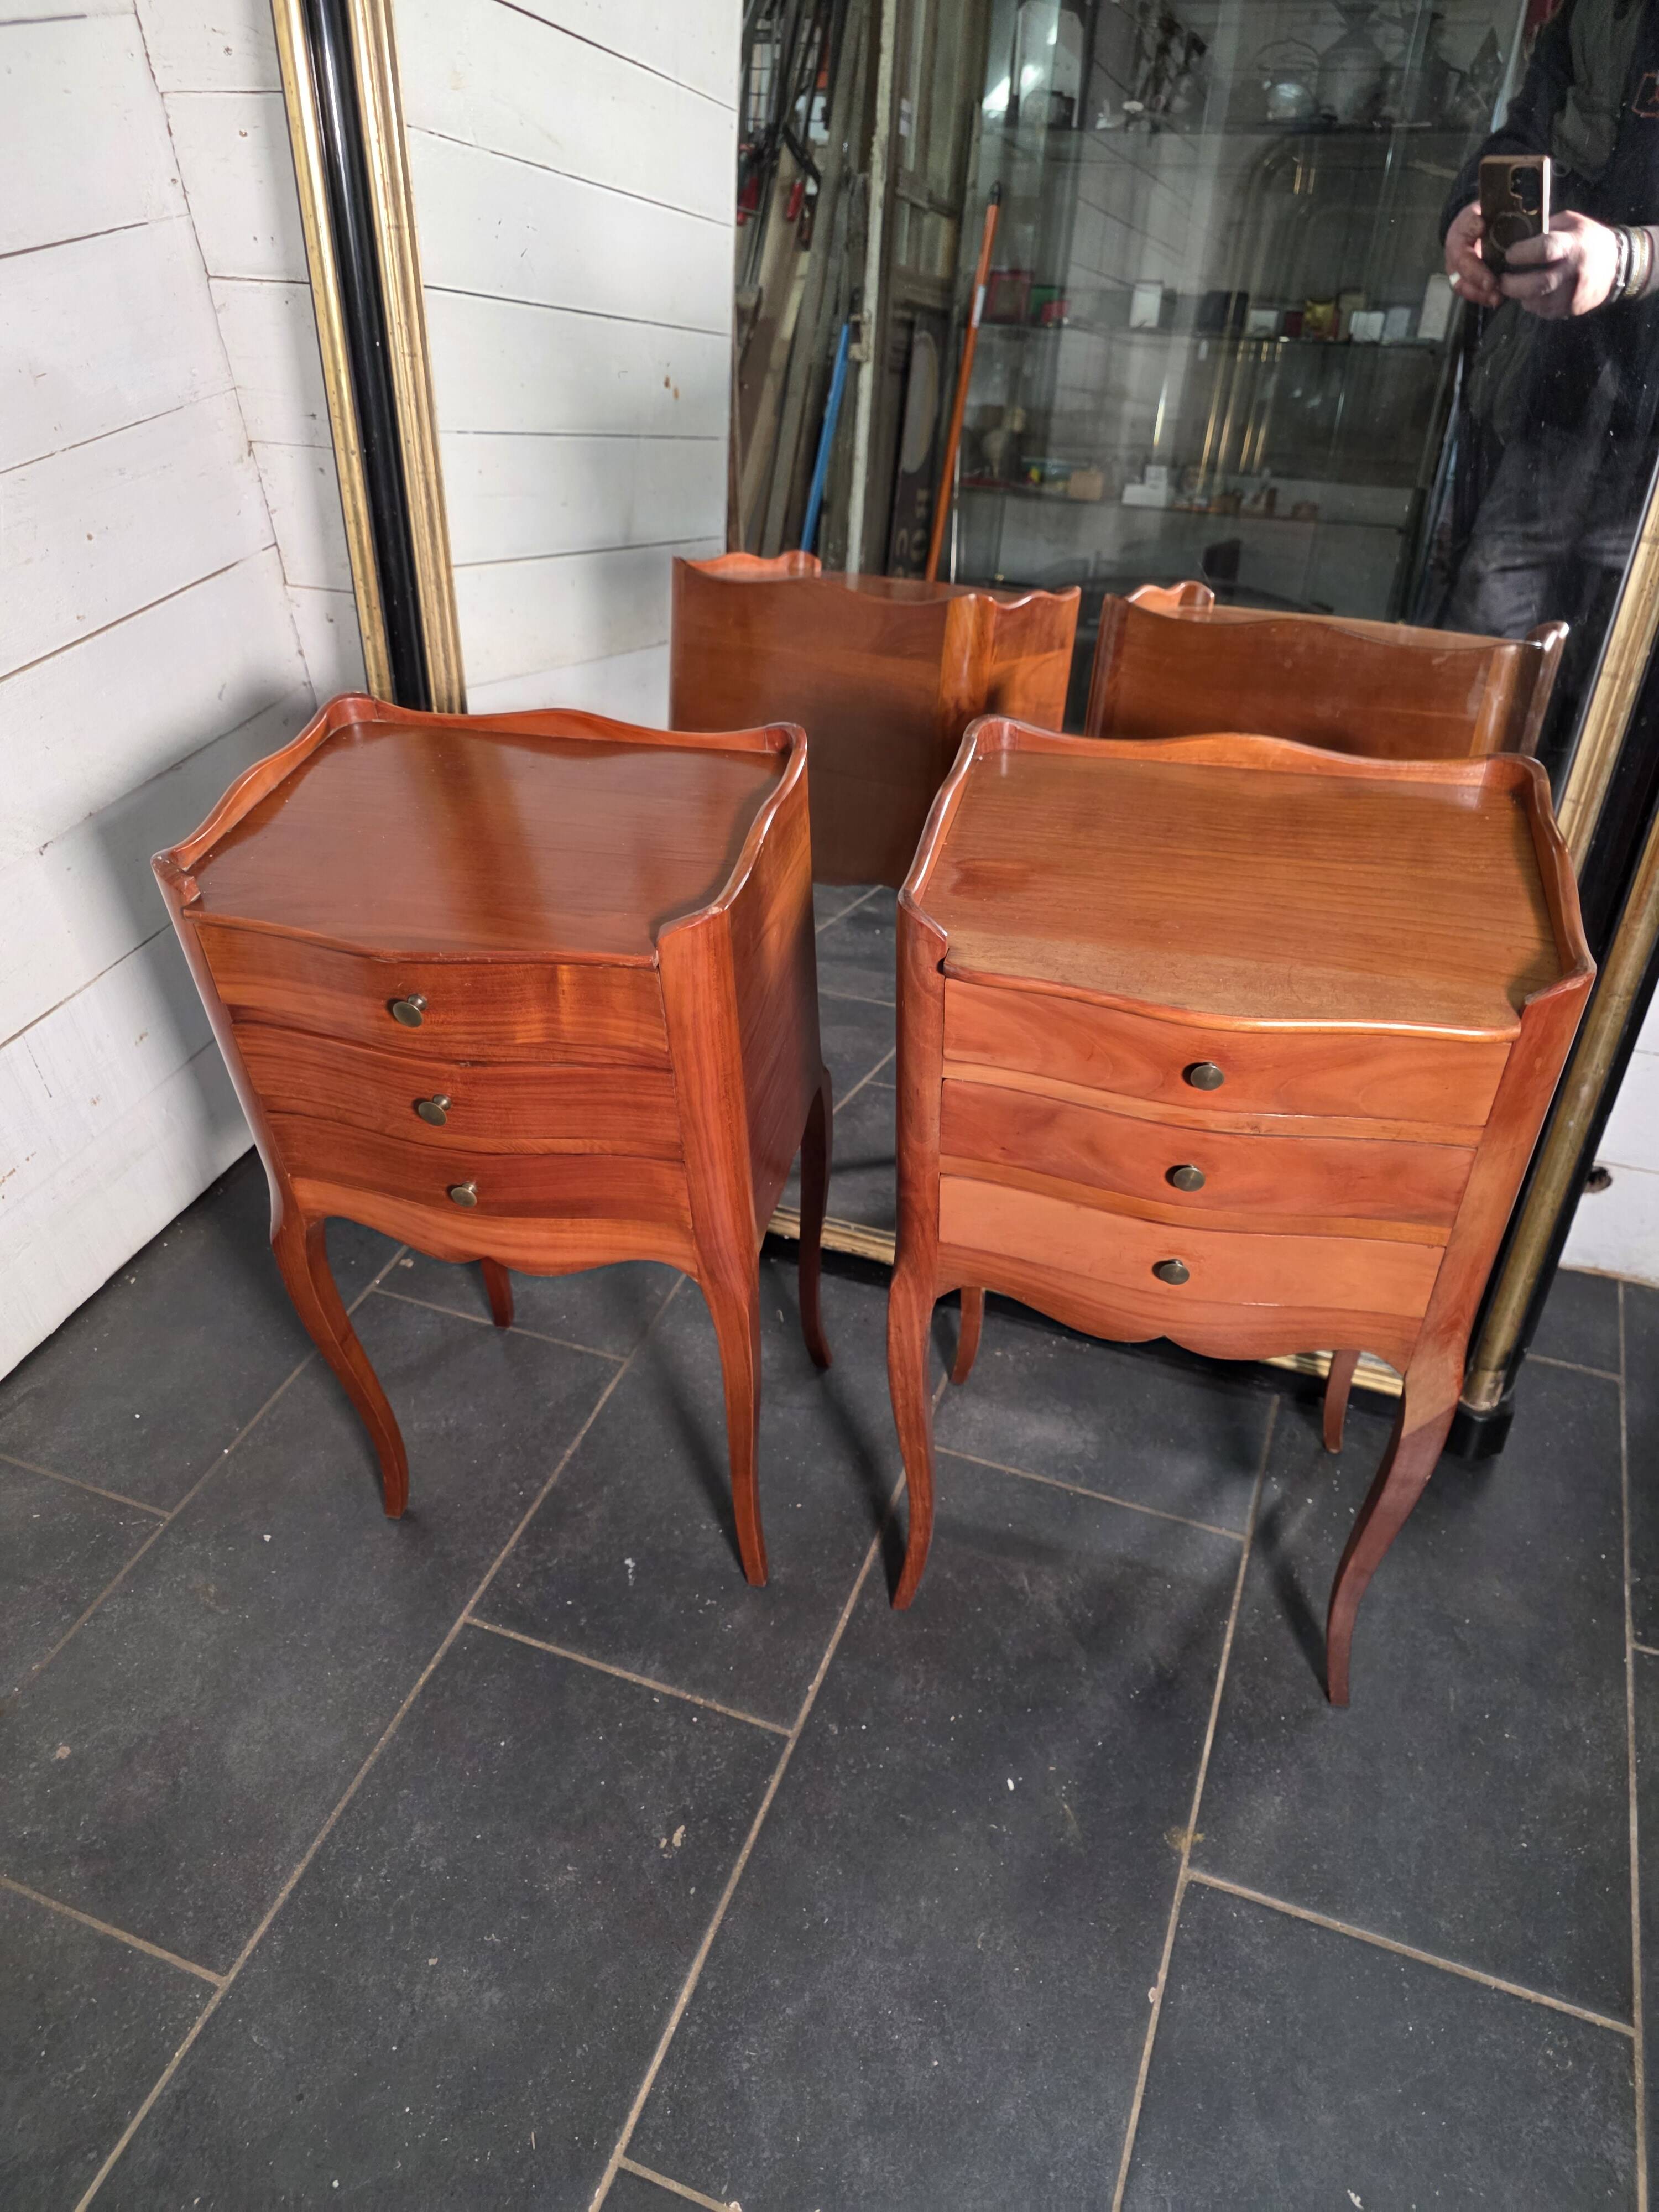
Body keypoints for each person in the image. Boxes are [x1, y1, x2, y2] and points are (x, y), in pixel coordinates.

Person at [1439, 0, 1659, 766]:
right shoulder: (1595, 12)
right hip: (1559, 389)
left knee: (1609, 701)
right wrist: (1471, 212)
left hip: (1644, 431)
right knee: (1491, 639)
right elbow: (1524, 134)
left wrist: (1631, 258)